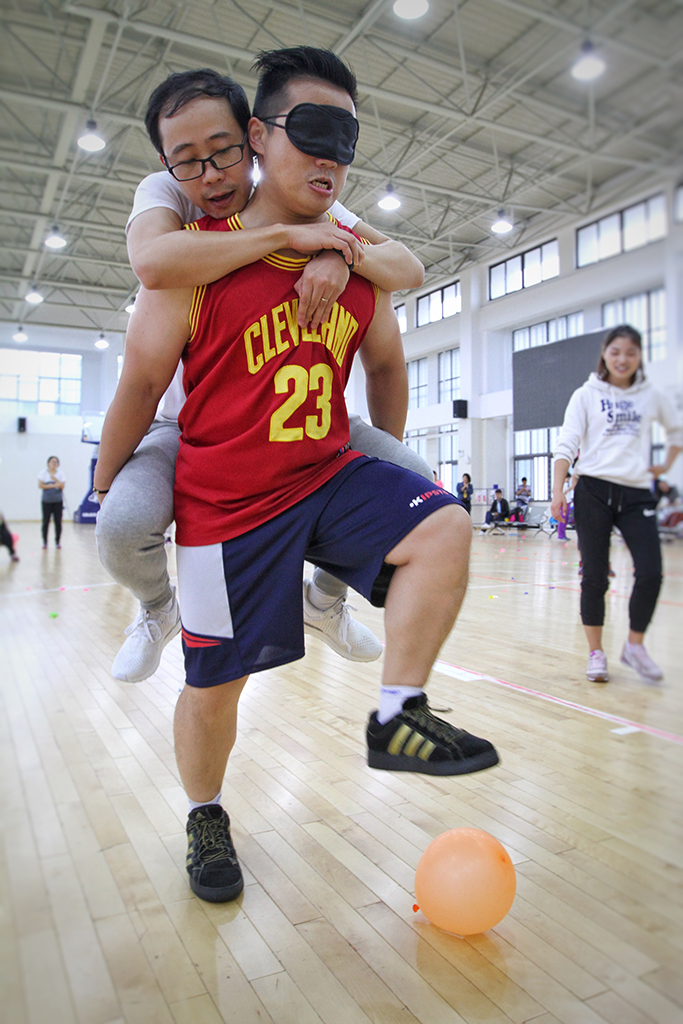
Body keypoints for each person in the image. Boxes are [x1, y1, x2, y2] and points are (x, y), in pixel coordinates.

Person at [95, 46, 499, 904]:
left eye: (344, 139)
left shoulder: (356, 260)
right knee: (214, 690)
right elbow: (139, 381)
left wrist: (378, 485)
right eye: (310, 132)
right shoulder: (190, 253)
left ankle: (396, 712)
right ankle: (205, 811)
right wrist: (105, 479)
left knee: (441, 521)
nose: (329, 155)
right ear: (259, 136)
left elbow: (387, 362)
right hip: (226, 503)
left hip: (322, 470)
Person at [95, 67, 431, 683]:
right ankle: (158, 608)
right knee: (120, 525)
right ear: (167, 163)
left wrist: (337, 251)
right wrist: (290, 237)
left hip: (303, 418)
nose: (210, 175)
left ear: (252, 141)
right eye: (188, 160)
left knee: (414, 484)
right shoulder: (167, 196)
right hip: (186, 423)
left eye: (223, 151)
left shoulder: (305, 196)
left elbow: (406, 266)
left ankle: (323, 601)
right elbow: (151, 263)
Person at [551, 325, 682, 684]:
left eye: (631, 352)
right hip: (593, 490)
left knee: (651, 572)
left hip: (636, 492)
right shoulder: (586, 395)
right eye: (616, 351)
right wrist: (558, 489)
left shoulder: (649, 396)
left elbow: (676, 430)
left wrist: (664, 466)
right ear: (605, 355)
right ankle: (596, 653)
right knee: (595, 576)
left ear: (639, 357)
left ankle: (634, 646)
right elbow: (567, 441)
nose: (623, 359)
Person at [38, 456, 65, 548]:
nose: (54, 463)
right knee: (46, 521)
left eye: (56, 462)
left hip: (58, 502)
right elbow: (41, 485)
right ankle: (45, 542)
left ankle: (57, 542)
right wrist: (53, 485)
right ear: (48, 463)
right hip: (46, 501)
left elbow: (62, 486)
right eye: (52, 461)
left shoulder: (60, 474)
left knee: (58, 522)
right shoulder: (43, 473)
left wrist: (55, 480)